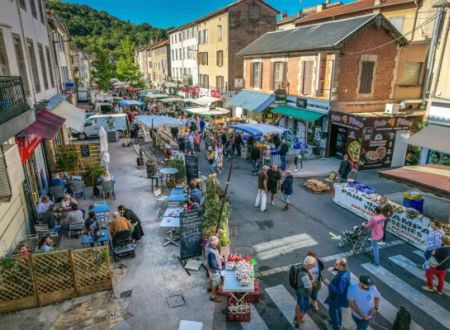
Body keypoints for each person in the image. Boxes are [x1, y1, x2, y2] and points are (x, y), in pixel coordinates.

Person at [323, 258, 351, 330]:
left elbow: (339, 290)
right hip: (340, 298)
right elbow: (343, 268)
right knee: (338, 309)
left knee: (333, 312)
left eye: (336, 264)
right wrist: (334, 269)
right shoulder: (347, 269)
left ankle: (335, 327)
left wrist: (329, 284)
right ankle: (339, 323)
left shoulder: (343, 278)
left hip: (336, 297)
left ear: (341, 266)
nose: (334, 265)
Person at [293, 256, 316, 328]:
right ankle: (298, 323)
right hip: (303, 293)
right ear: (308, 265)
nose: (314, 266)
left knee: (298, 304)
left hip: (298, 290)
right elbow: (309, 288)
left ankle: (296, 317)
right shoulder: (305, 276)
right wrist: (312, 279)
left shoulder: (300, 267)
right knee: (302, 310)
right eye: (313, 265)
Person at [205, 236, 222, 303]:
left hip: (208, 267)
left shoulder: (208, 245)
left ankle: (209, 287)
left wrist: (217, 235)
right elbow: (212, 264)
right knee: (216, 282)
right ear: (214, 244)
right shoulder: (211, 253)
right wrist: (218, 268)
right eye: (217, 243)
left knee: (211, 277)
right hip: (214, 270)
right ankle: (213, 296)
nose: (218, 244)